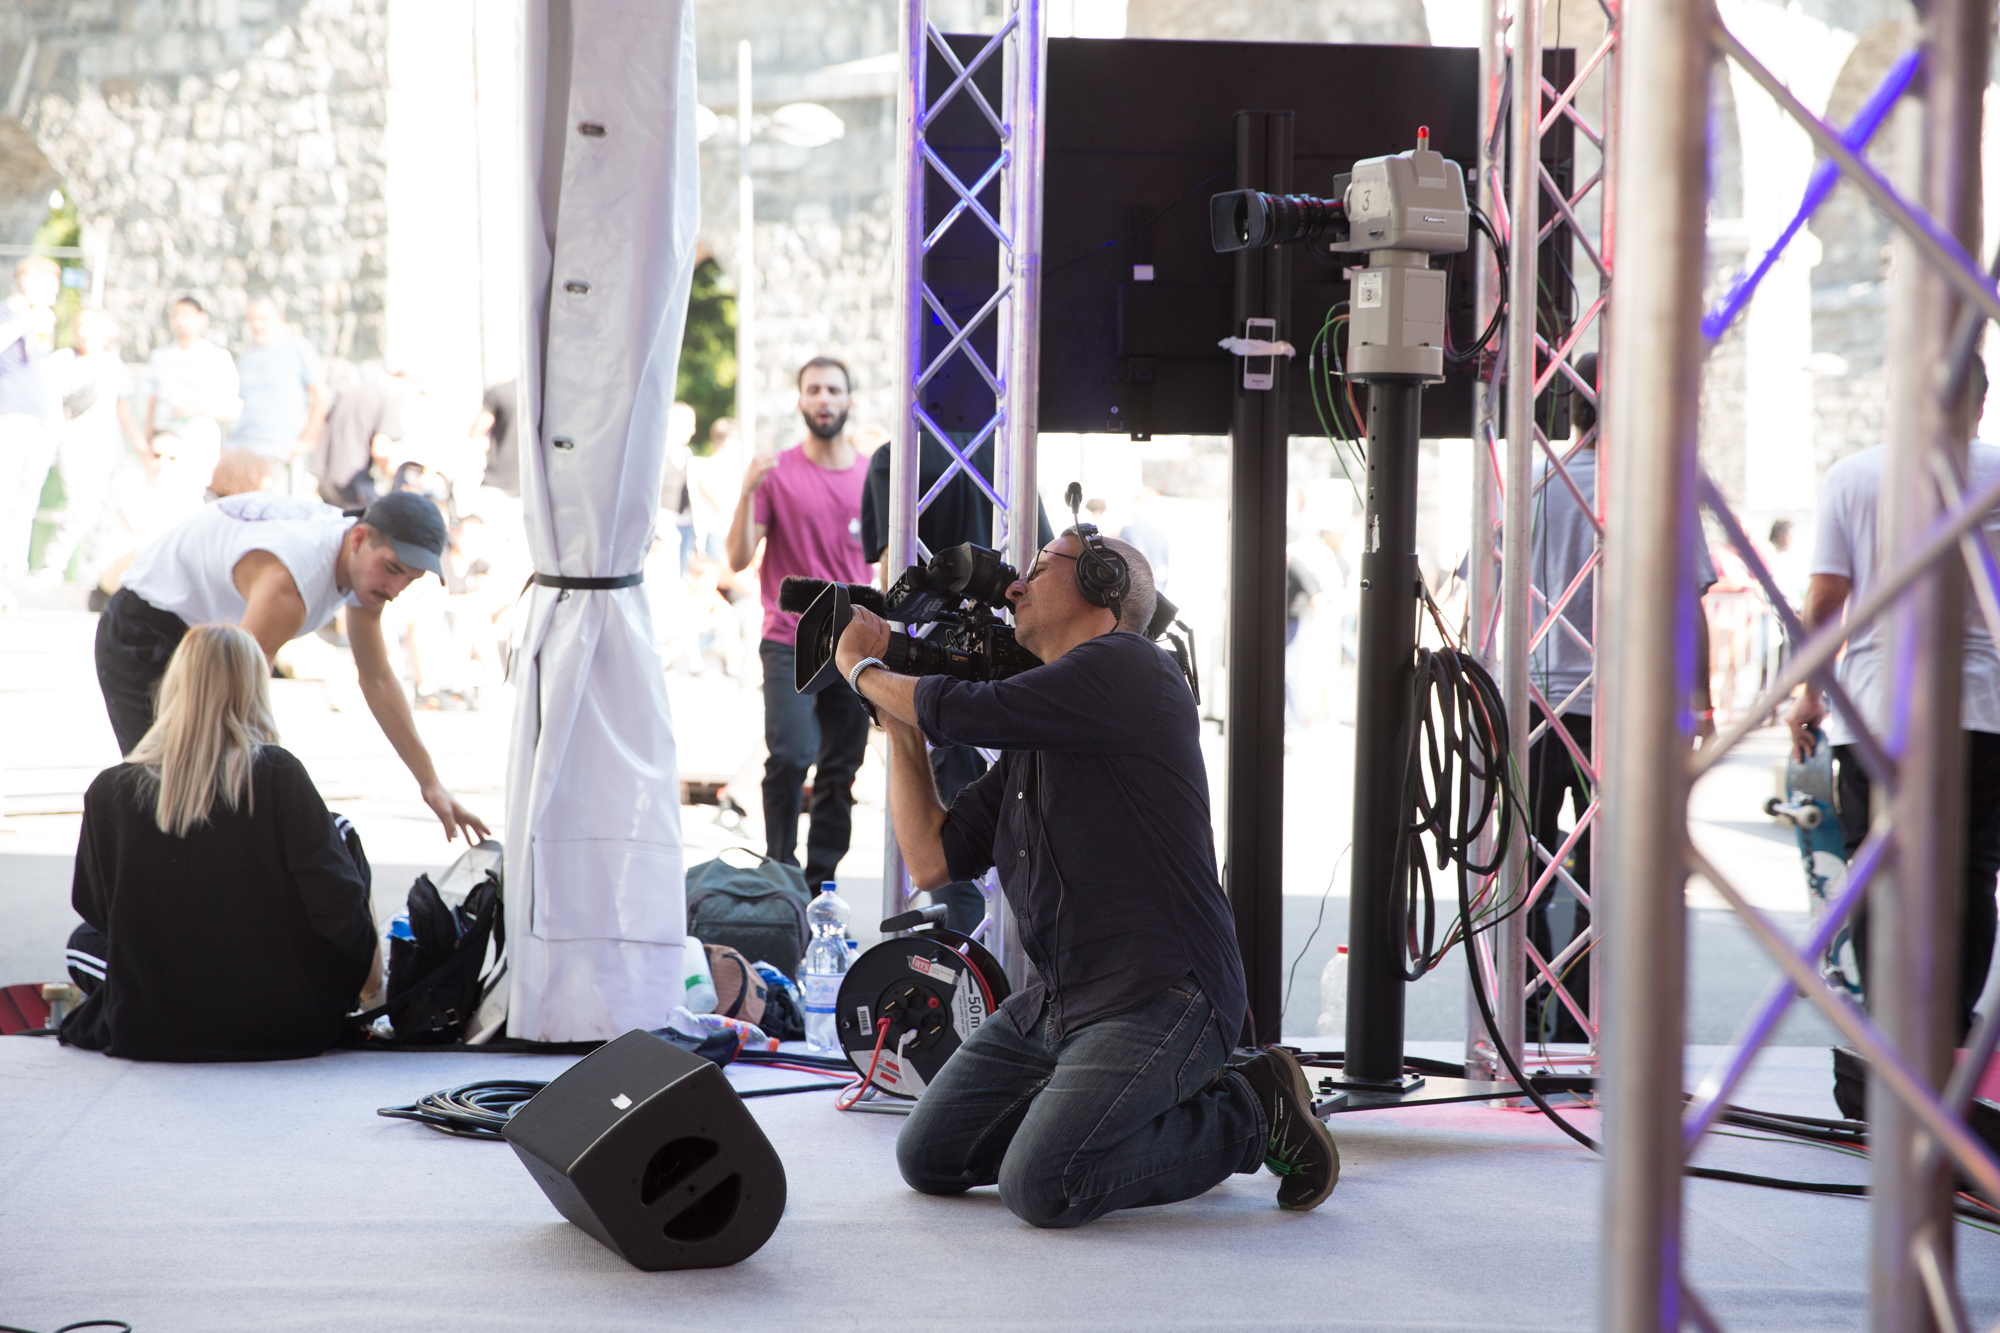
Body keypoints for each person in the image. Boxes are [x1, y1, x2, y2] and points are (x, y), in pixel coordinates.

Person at [834, 525, 1339, 1226]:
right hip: (1061, 1002)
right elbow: (931, 857)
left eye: (1040, 568)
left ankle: (1253, 1109)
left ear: (1104, 584)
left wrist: (864, 666)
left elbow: (965, 710)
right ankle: (1133, 1105)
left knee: (1043, 1185)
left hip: (1161, 994)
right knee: (929, 1157)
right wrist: (898, 725)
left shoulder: (1133, 666)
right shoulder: (1040, 727)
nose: (1015, 585)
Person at [60, 623, 378, 1060]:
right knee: (341, 832)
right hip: (283, 1024)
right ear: (253, 687)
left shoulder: (109, 790)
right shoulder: (277, 774)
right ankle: (375, 992)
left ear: (175, 684)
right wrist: (344, 988)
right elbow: (339, 909)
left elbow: (96, 907)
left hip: (153, 1027)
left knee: (82, 942)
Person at [95, 489, 488, 842]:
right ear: (359, 538)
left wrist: (430, 783)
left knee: (209, 798)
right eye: (392, 569)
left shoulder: (355, 559)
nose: (395, 589)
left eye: (410, 579)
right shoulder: (291, 582)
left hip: (201, 635)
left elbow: (377, 678)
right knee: (168, 792)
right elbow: (236, 698)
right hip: (145, 627)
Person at [1786, 418, 2000, 1041]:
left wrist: (1810, 693)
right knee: (1971, 866)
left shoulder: (1853, 474)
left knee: (1876, 862)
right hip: (1978, 705)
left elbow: (1825, 599)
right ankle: (1951, 1032)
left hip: (1875, 709)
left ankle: (1886, 1027)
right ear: (1979, 401)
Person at [1526, 352, 1714, 1042]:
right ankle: (1582, 1021)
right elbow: (1689, 603)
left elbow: (1483, 592)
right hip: (1619, 710)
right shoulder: (1658, 487)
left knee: (1529, 863)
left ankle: (1523, 1011)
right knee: (1608, 868)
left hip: (1533, 702)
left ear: (1574, 407)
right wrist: (1700, 702)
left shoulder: (1532, 482)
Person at [856, 431, 1055, 933]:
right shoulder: (1010, 452)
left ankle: (961, 954)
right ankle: (989, 952)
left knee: (953, 825)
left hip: (934, 670)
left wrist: (870, 667)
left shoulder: (895, 456)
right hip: (1012, 664)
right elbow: (1041, 557)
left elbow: (891, 576)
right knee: (1013, 815)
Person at [727, 356, 873, 887]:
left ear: (849, 400)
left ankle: (820, 885)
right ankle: (781, 874)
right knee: (791, 755)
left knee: (840, 770)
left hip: (852, 643)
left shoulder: (871, 475)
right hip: (787, 640)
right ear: (800, 401)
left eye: (833, 389)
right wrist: (746, 490)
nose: (824, 399)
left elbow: (888, 558)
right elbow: (738, 558)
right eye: (814, 389)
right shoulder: (776, 473)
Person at [40, 307, 144, 585]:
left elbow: (124, 412)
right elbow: (52, 403)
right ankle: (53, 564)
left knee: (102, 512)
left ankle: (91, 572)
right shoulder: (61, 361)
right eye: (81, 325)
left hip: (107, 448)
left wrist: (142, 447)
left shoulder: (113, 365)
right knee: (80, 507)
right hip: (73, 443)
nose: (86, 333)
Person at [0, 255, 60, 579]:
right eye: (49, 289)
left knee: (27, 500)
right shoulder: (7, 314)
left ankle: (15, 568)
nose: (53, 298)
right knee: (4, 494)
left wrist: (54, 420)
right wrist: (28, 318)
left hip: (39, 422)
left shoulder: (43, 323)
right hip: (9, 417)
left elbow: (44, 369)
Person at [228, 295, 328, 478]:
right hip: (239, 449)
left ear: (280, 319)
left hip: (278, 451)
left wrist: (307, 441)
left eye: (263, 318)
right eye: (252, 319)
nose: (257, 325)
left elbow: (321, 397)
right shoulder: (244, 361)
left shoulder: (298, 348)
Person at [140, 295, 240, 464]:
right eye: (176, 315)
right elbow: (150, 407)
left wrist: (195, 410)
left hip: (200, 447)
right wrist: (146, 446)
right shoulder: (159, 357)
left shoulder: (218, 357)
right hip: (164, 450)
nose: (180, 321)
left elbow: (232, 409)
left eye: (187, 315)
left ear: (203, 319)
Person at [312, 367, 406, 507]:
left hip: (327, 478)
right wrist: (403, 481)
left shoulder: (351, 391)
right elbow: (380, 450)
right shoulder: (387, 399)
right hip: (354, 483)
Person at [468, 379, 518, 500]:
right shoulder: (542, 393)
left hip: (497, 482)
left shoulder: (500, 391)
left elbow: (477, 431)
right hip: (530, 485)